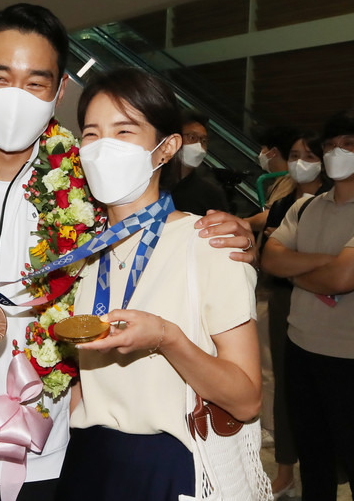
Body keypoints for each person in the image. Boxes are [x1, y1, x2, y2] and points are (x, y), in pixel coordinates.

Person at [0, 4, 258, 500]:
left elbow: (154, 222)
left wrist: (237, 231)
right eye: (0, 77)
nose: (16, 97)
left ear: (59, 90)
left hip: (46, 452)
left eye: (36, 83)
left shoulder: (87, 197)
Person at [55, 68, 262, 501]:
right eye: (91, 133)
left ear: (166, 147)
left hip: (169, 465)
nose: (103, 146)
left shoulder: (209, 244)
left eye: (124, 130)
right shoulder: (84, 254)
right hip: (88, 459)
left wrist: (168, 339)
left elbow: (246, 400)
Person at [261, 109, 354, 500]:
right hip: (301, 348)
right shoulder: (307, 206)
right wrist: (324, 262)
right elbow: (271, 258)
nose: (337, 153)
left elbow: (342, 279)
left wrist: (297, 271)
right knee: (313, 459)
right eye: (331, 146)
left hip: (347, 357)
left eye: (348, 146)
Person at [259, 132, 331, 498]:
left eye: (309, 155)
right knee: (290, 389)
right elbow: (269, 257)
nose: (300, 162)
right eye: (294, 155)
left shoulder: (332, 203)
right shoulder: (291, 202)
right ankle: (287, 470)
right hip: (287, 303)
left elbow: (343, 275)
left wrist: (292, 259)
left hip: (334, 321)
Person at [171, 109, 230, 215]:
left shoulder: (211, 193)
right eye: (192, 137)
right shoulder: (154, 184)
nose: (199, 146)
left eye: (203, 141)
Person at [246, 126, 299, 232]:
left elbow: (268, 218)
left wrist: (241, 222)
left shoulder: (289, 181)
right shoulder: (282, 180)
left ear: (273, 152)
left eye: (263, 149)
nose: (260, 154)